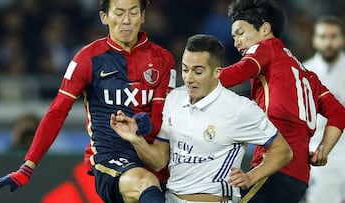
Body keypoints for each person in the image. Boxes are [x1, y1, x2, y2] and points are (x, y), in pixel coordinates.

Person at [0, 0, 176, 203]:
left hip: (151, 156)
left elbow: (161, 118)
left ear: (143, 16)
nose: (126, 20)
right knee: (144, 182)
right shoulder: (87, 59)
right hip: (109, 159)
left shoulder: (163, 59)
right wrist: (27, 166)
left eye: (133, 13)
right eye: (119, 13)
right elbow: (57, 112)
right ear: (104, 17)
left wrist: (146, 124)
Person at [110, 34, 293, 203]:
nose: (189, 78)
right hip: (170, 198)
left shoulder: (239, 109)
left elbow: (283, 151)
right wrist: (135, 139)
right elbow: (158, 161)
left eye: (198, 72)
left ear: (217, 72)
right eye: (185, 70)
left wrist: (251, 177)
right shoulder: (174, 99)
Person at [218, 0, 345, 202]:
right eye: (234, 37)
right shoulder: (308, 75)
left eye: (241, 33)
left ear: (265, 28)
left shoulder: (266, 48)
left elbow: (238, 72)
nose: (236, 43)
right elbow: (339, 112)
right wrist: (323, 150)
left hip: (273, 165)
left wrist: (197, 79)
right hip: (300, 177)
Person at [303, 15, 345, 203]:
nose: (328, 42)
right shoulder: (304, 72)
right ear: (314, 39)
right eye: (323, 36)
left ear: (342, 38)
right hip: (319, 153)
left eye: (333, 36)